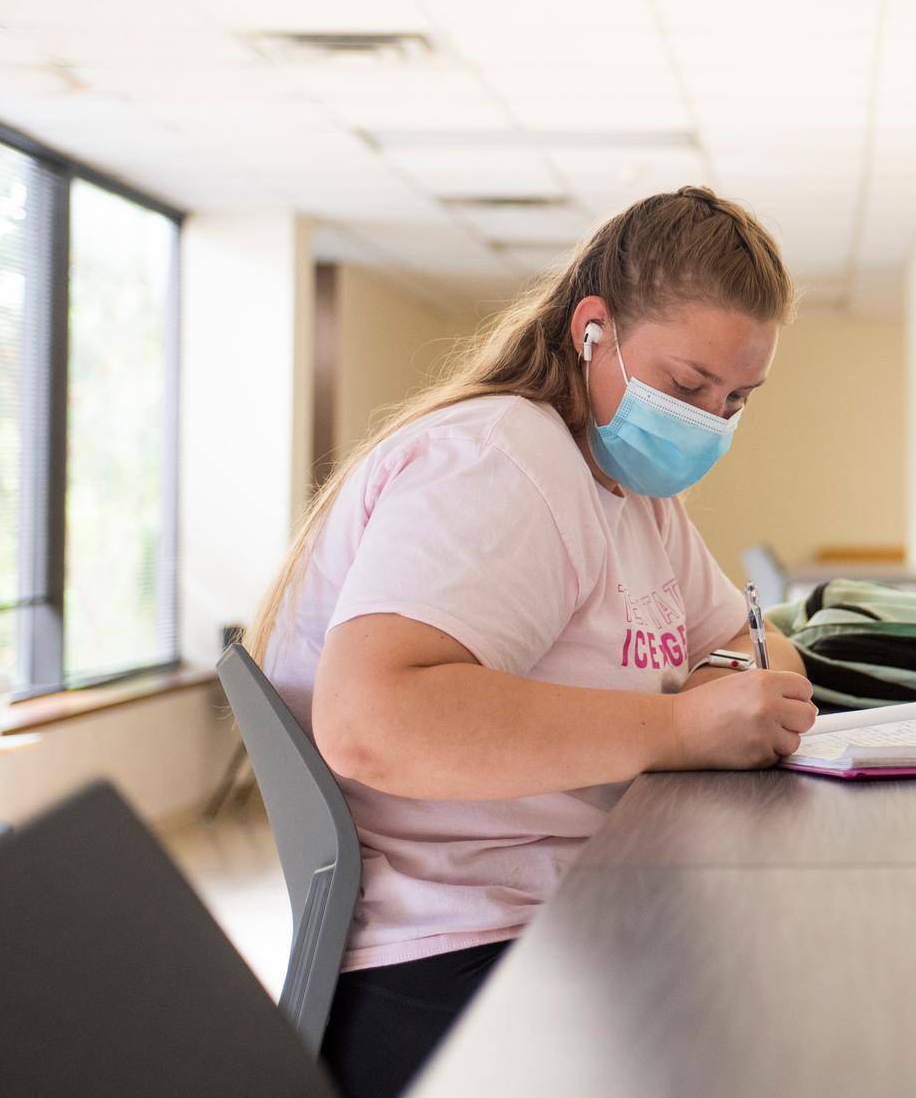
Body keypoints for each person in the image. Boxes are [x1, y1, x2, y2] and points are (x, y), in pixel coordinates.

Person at [245, 186, 817, 1098]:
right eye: (687, 386)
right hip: (453, 954)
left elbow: (765, 650)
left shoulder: (635, 497)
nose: (710, 422)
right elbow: (369, 720)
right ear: (594, 329)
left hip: (568, 909)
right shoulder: (500, 460)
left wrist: (716, 684)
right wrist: (682, 727)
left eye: (737, 399)